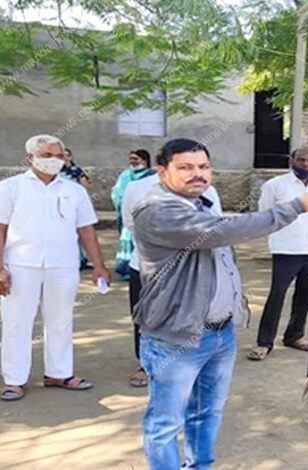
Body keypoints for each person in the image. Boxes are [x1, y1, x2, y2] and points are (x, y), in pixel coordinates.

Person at [132, 138, 308, 469]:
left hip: (220, 334)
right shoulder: (157, 211)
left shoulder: (201, 202)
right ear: (162, 172)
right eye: (185, 167)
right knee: (165, 423)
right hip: (177, 337)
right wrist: (298, 205)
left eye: (203, 167)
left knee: (207, 412)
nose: (198, 174)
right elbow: (226, 231)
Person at [0, 134, 111, 401]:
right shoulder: (9, 188)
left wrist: (99, 265)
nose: (54, 161)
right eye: (47, 155)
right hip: (20, 264)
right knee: (16, 322)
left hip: (63, 264)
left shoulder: (74, 191)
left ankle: (59, 373)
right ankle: (14, 380)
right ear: (30, 158)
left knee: (60, 320)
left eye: (59, 156)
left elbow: (86, 229)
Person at [121, 167, 222, 387]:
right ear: (163, 167)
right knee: (148, 317)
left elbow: (216, 223)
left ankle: (186, 362)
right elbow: (131, 224)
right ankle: (146, 366)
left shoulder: (206, 189)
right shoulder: (137, 188)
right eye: (183, 164)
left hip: (192, 268)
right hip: (149, 266)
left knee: (190, 313)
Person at [247, 148, 308, 361]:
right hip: (287, 249)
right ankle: (264, 342)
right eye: (301, 160)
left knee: (305, 295)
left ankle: (294, 335)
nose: (306, 164)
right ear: (292, 161)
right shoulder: (275, 185)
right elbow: (265, 215)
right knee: (277, 296)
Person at [112, 149, 155, 280]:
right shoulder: (125, 175)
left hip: (146, 216)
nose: (132, 162)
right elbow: (117, 193)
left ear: (145, 161)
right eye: (131, 159)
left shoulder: (152, 176)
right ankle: (125, 269)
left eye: (136, 159)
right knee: (128, 240)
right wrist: (122, 203)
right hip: (129, 215)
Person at [60, 148, 92, 270]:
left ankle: (80, 259)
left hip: (74, 205)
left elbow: (84, 187)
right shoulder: (55, 172)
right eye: (62, 156)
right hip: (60, 207)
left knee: (79, 232)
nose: (65, 158)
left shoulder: (77, 171)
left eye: (67, 156)